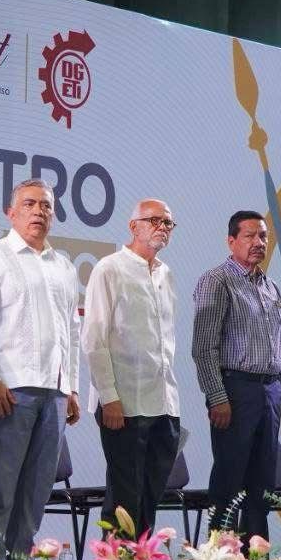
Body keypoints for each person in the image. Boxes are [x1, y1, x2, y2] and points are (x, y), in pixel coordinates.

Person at [0, 179, 80, 560]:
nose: (38, 211)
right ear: (10, 213)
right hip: (9, 389)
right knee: (0, 489)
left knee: (36, 491)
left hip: (54, 392)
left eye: (46, 205)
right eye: (29, 204)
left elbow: (72, 330)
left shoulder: (63, 266)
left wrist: (72, 388)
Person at [192, 210, 281, 542]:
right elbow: (203, 347)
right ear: (231, 241)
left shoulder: (271, 287)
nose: (258, 242)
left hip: (271, 391)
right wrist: (217, 396)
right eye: (249, 236)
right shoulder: (217, 280)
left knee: (262, 487)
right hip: (235, 390)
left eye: (262, 236)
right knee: (229, 482)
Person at [81, 199, 181, 536]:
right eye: (154, 220)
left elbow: (165, 342)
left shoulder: (166, 274)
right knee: (124, 498)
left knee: (150, 498)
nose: (162, 228)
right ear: (133, 226)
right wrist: (109, 396)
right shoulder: (109, 269)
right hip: (123, 402)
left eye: (168, 223)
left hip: (163, 402)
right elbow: (94, 339)